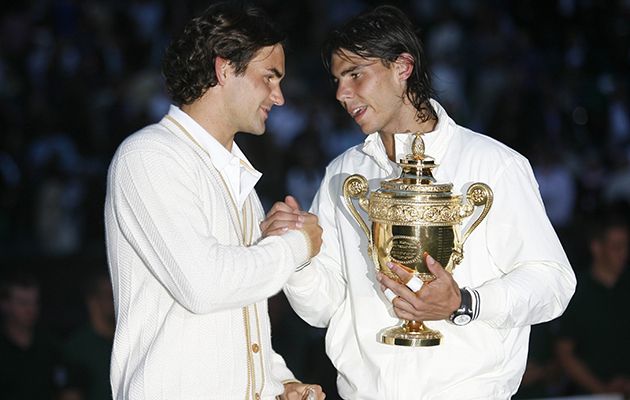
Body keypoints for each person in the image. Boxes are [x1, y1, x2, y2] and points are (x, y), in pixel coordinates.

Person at [282, 5, 576, 399]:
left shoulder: (493, 164)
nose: (341, 93)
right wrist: (296, 254)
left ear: (402, 67)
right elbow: (322, 308)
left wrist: (464, 302)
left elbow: (553, 283)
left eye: (355, 74)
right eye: (337, 80)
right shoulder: (342, 173)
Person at [104, 3, 324, 399]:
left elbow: (238, 317)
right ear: (225, 69)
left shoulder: (237, 178)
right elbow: (205, 286)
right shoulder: (149, 156)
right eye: (269, 78)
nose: (279, 97)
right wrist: (295, 246)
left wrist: (279, 382)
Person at [555, 210, 630, 397]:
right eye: (616, 246)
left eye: (626, 246)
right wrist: (603, 391)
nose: (623, 253)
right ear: (597, 247)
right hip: (591, 394)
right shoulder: (576, 292)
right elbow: (564, 352)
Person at [0, 271, 63, 399]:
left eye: (35, 302)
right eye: (23, 303)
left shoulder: (50, 347)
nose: (30, 309)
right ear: (5, 305)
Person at [62, 270, 115, 400]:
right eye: (109, 295)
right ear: (93, 300)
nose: (116, 300)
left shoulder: (126, 341)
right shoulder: (77, 347)